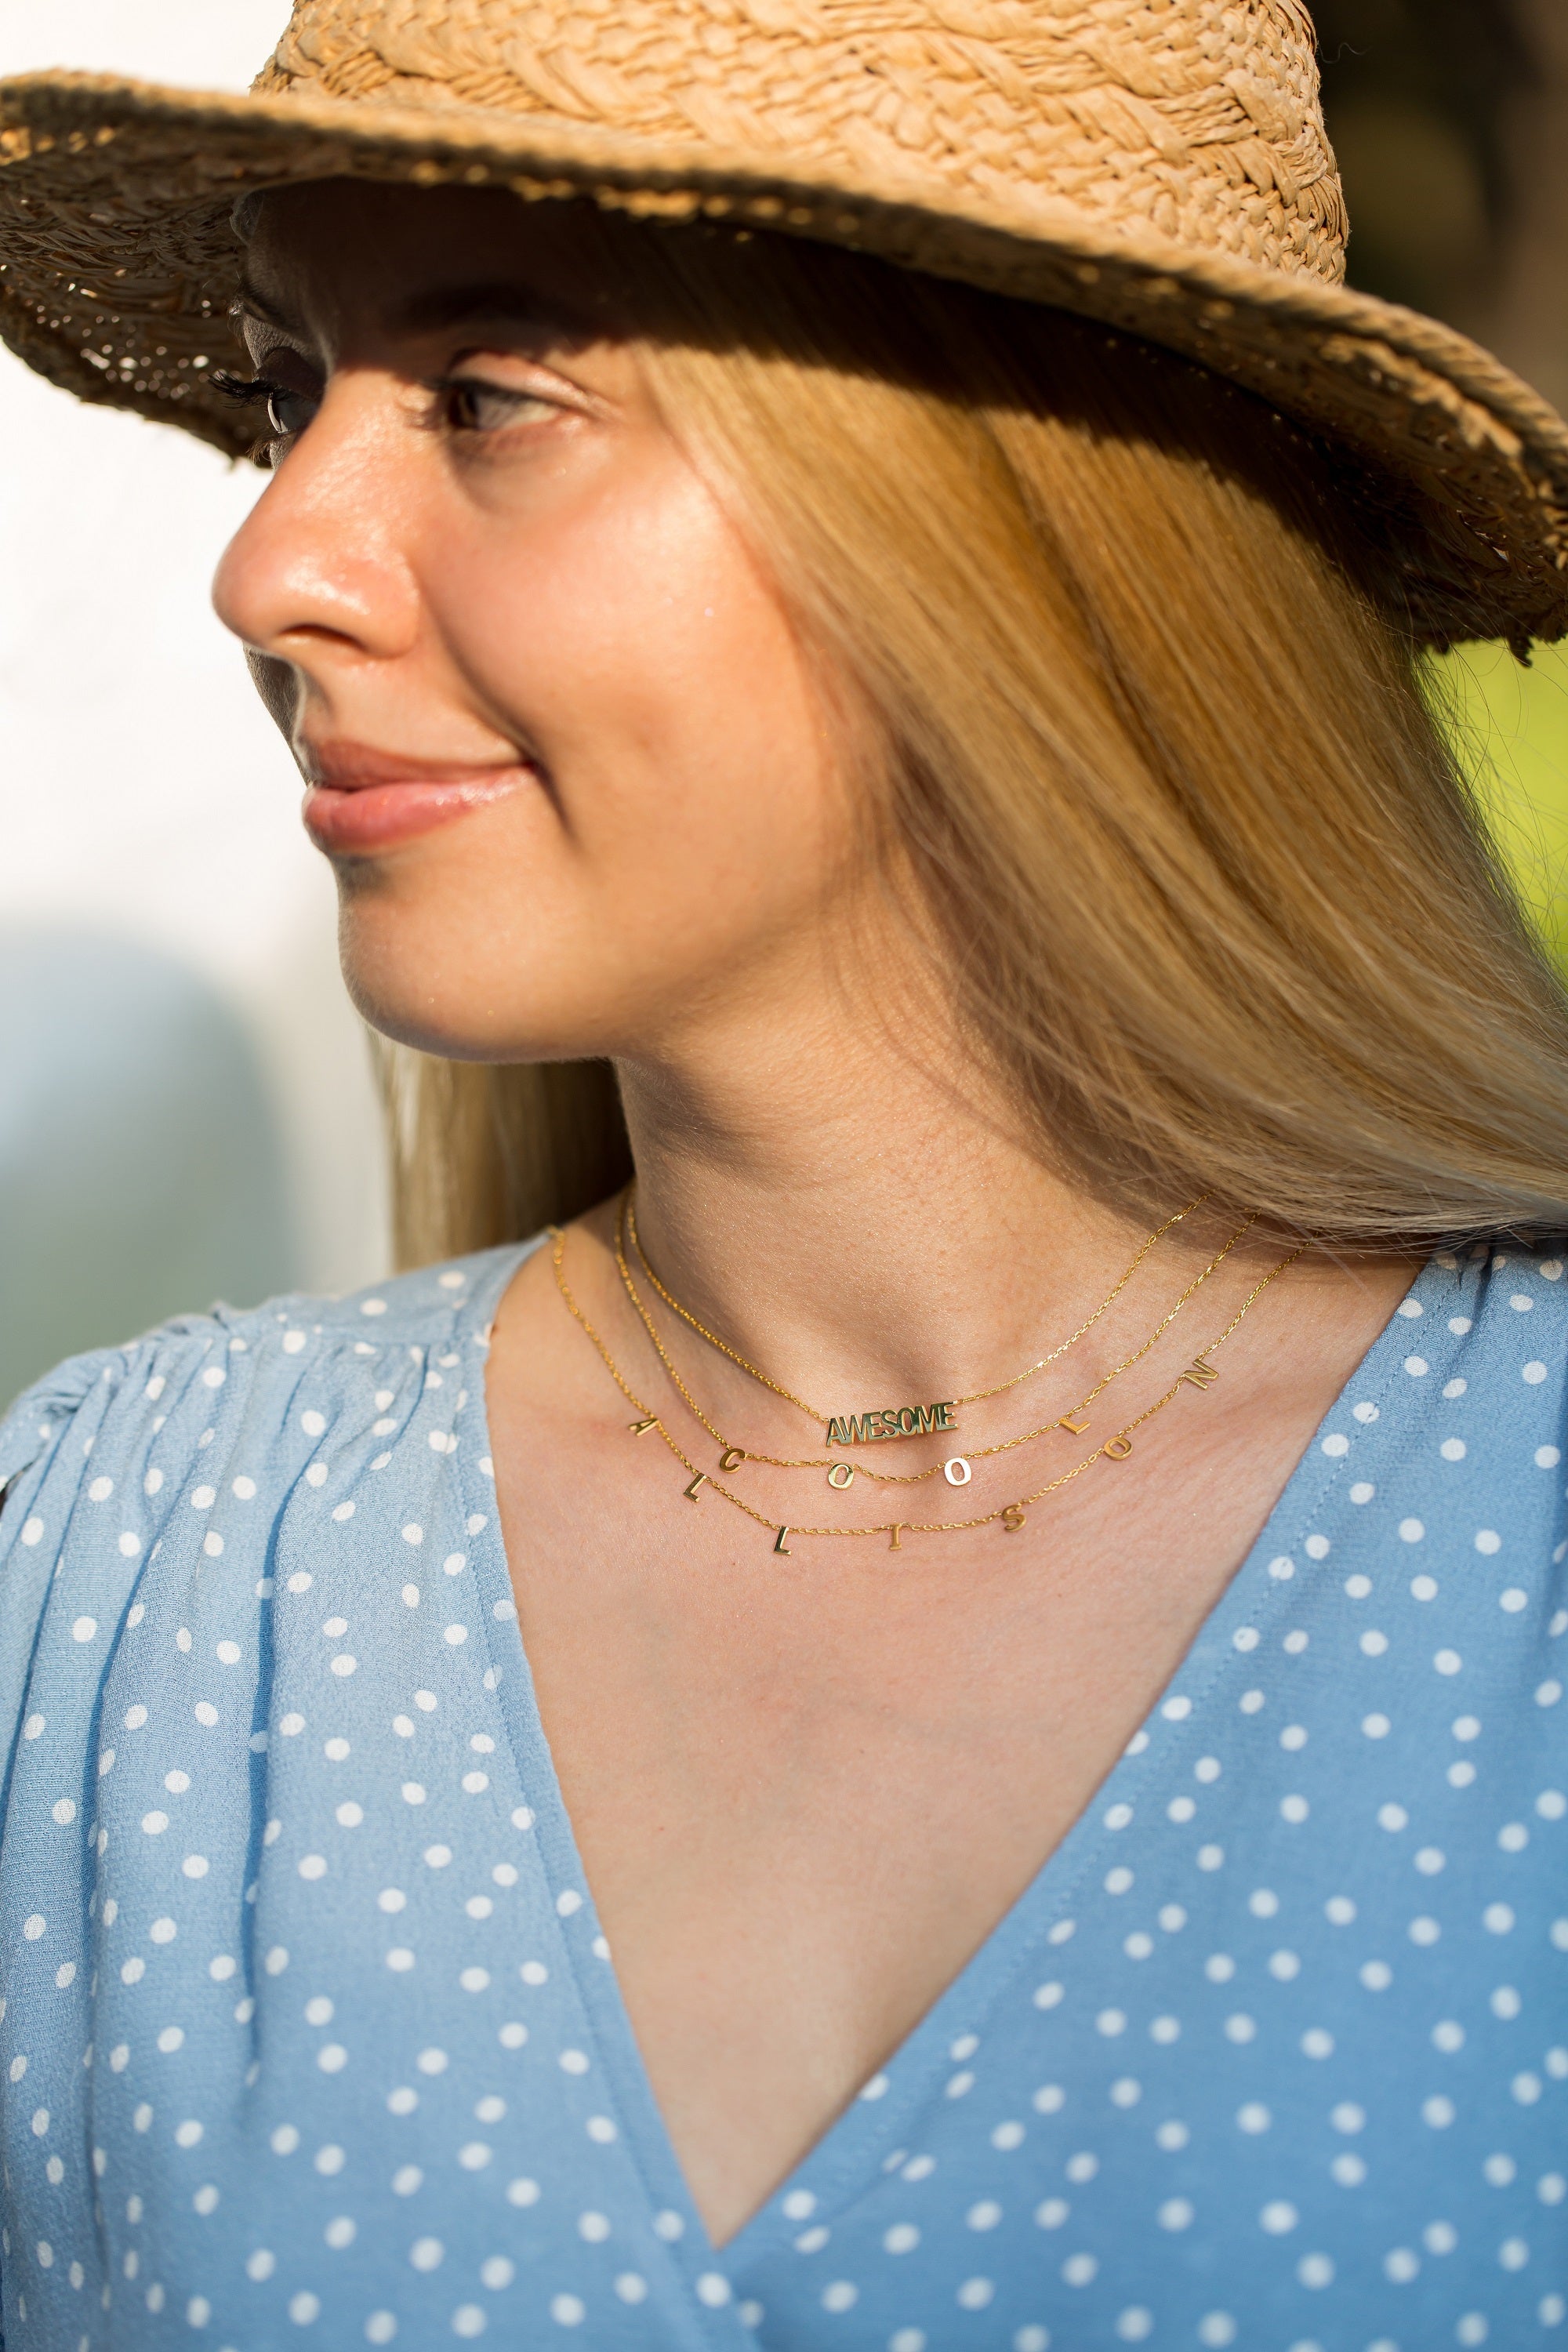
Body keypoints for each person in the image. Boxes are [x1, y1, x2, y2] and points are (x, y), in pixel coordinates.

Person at [1, 1, 1566, 2342]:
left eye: (489, 391)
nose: (272, 565)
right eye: (286, 383)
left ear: (1010, 497)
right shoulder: (113, 1574)